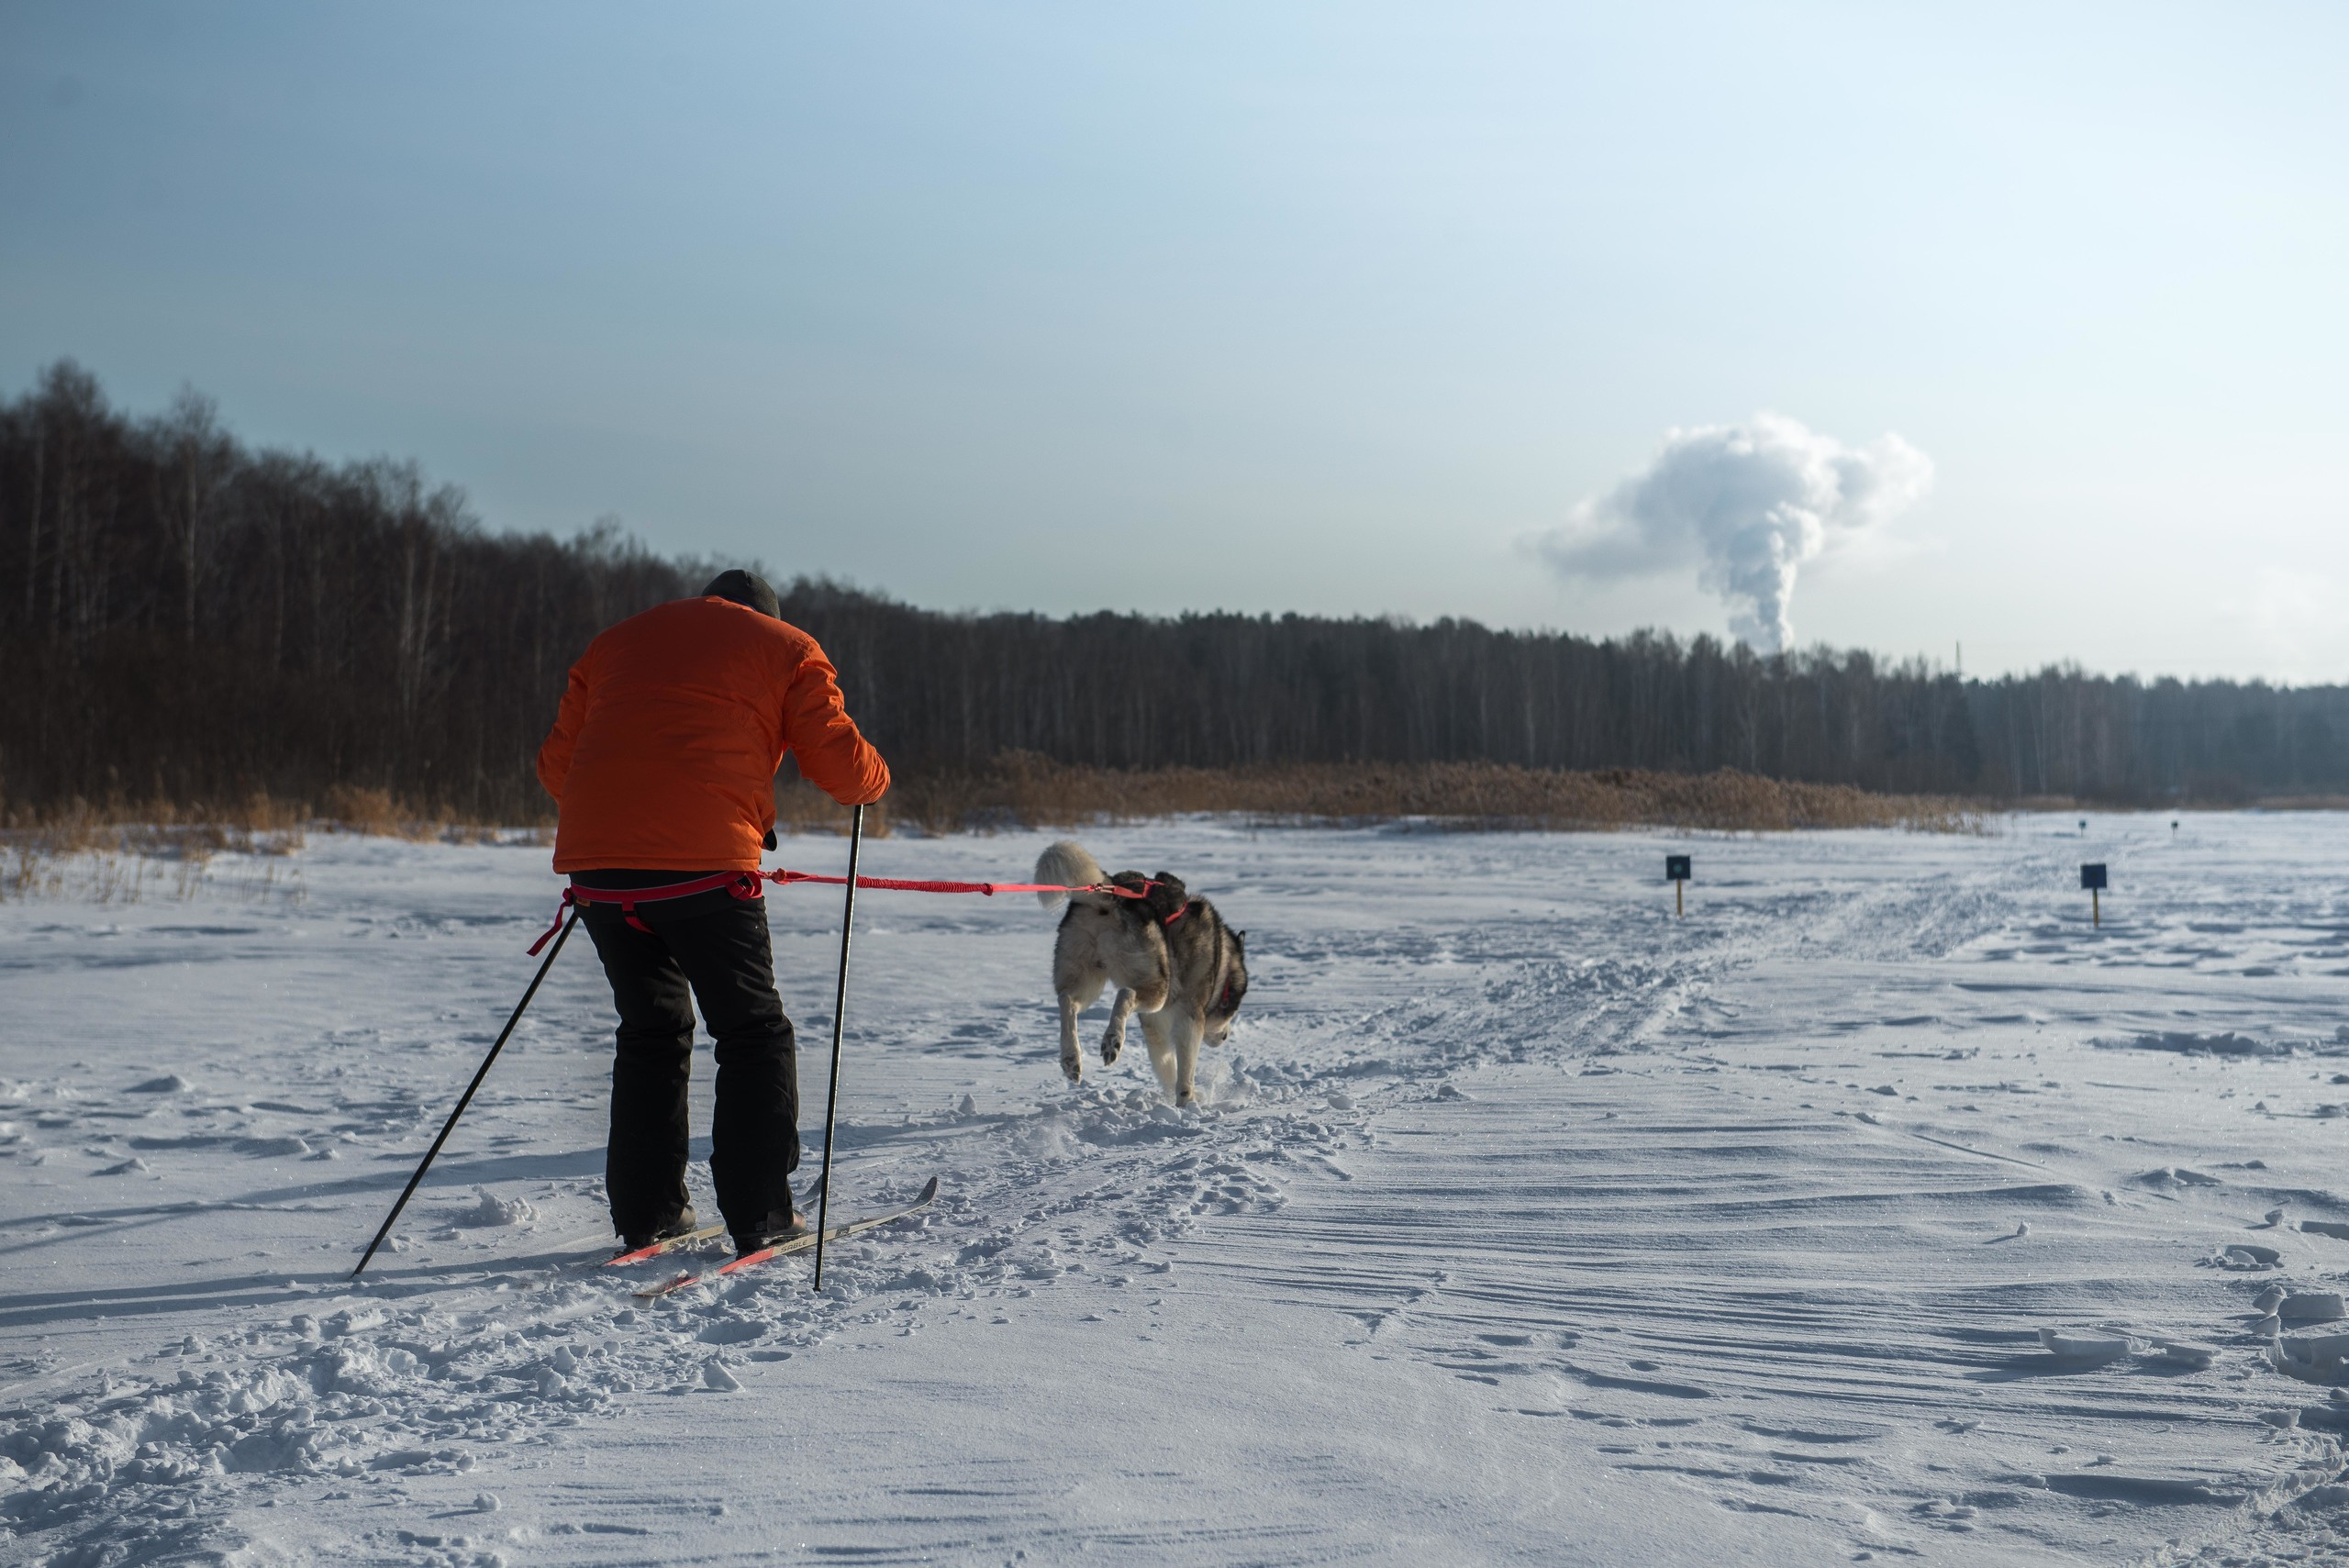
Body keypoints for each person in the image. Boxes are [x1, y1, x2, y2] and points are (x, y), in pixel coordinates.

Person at [535, 569, 888, 1255]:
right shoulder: (787, 646)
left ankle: (650, 1213)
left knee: (651, 1029)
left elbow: (557, 768)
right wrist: (877, 777)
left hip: (599, 870)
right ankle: (760, 1213)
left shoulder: (613, 644)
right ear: (768, 614)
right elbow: (843, 766)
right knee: (753, 1031)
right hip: (705, 870)